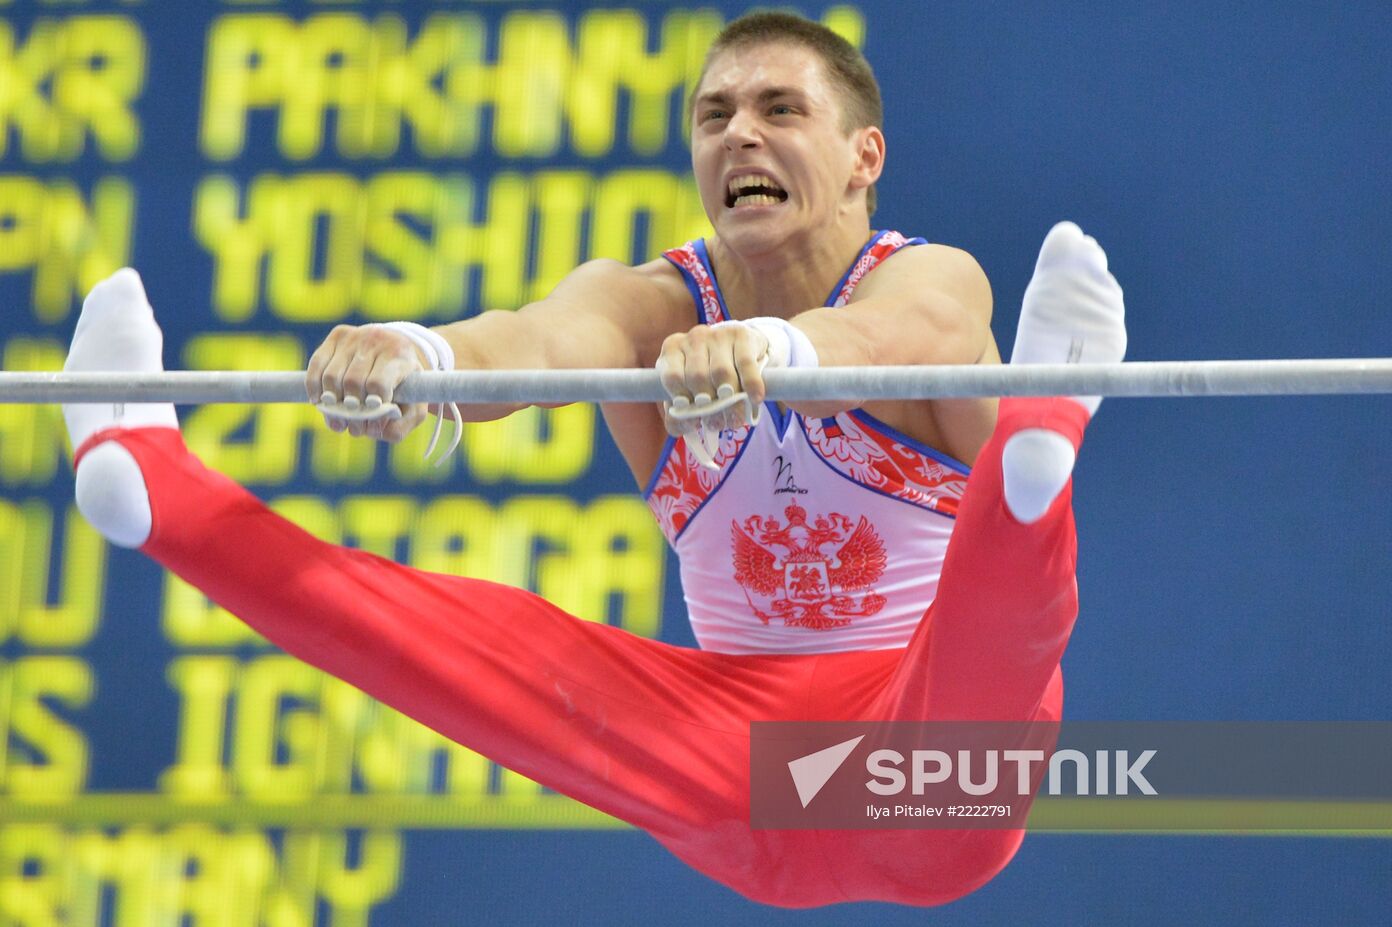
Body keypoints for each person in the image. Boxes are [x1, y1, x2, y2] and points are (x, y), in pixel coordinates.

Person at [61, 12, 1125, 909]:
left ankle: (1038, 445)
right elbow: (533, 343)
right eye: (713, 117)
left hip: (929, 763)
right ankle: (149, 483)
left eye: (779, 110)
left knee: (1001, 619)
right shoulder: (653, 306)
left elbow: (902, 338)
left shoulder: (925, 281)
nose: (738, 136)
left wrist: (773, 352)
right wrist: (422, 357)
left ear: (864, 158)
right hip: (732, 766)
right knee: (471, 642)